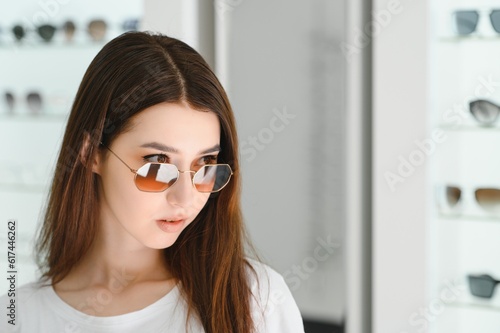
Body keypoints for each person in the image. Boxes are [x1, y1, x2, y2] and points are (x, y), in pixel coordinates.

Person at [0, 32, 304, 332]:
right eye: (158, 164)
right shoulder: (19, 317)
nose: (185, 198)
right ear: (91, 153)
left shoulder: (256, 300)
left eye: (205, 163)